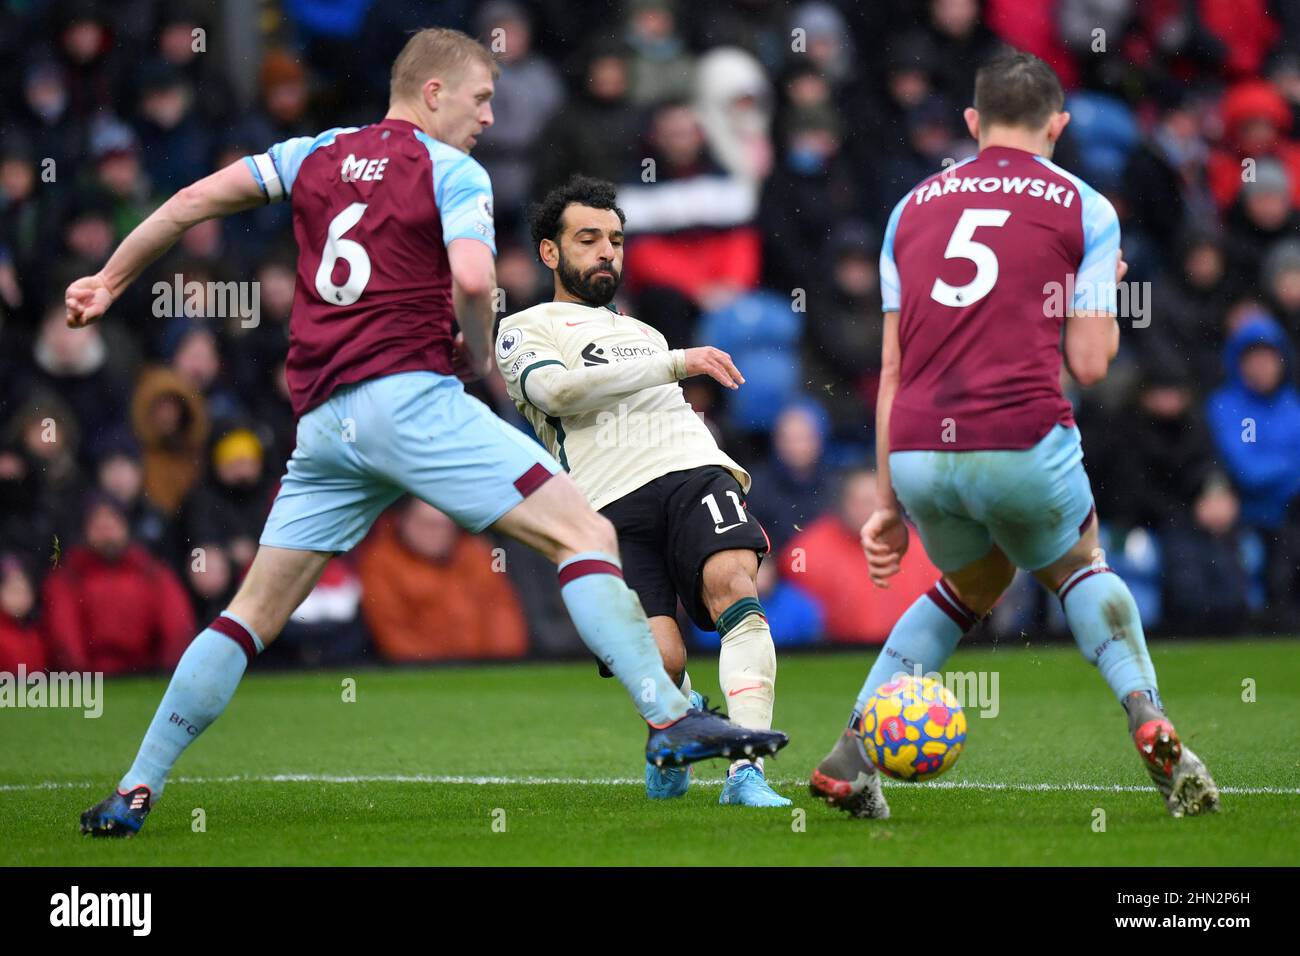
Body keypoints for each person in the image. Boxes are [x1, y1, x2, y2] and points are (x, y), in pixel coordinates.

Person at [68, 29, 784, 838]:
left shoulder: (314, 151)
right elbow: (476, 278)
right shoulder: (451, 170)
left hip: (325, 424)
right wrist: (477, 349)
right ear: (433, 91)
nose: (488, 116)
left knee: (250, 613)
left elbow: (191, 200)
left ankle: (135, 786)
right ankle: (668, 717)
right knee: (582, 530)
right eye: (481, 98)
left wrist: (109, 279)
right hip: (411, 401)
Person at [809, 51, 1219, 820]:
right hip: (1021, 434)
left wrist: (890, 503)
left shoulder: (911, 207)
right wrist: (1112, 289)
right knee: (1078, 563)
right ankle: (1148, 715)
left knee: (974, 584)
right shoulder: (1087, 207)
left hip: (921, 447)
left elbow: (891, 369)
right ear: (1058, 125)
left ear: (972, 122)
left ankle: (850, 754)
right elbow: (1091, 364)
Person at [495, 175, 788, 807]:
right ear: (550, 253)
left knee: (737, 587)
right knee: (664, 656)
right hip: (606, 503)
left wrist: (670, 359)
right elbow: (556, 395)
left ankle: (746, 771)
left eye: (617, 240)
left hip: (691, 471)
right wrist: (678, 361)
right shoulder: (524, 328)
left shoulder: (646, 332)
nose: (607, 252)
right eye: (589, 238)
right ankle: (673, 731)